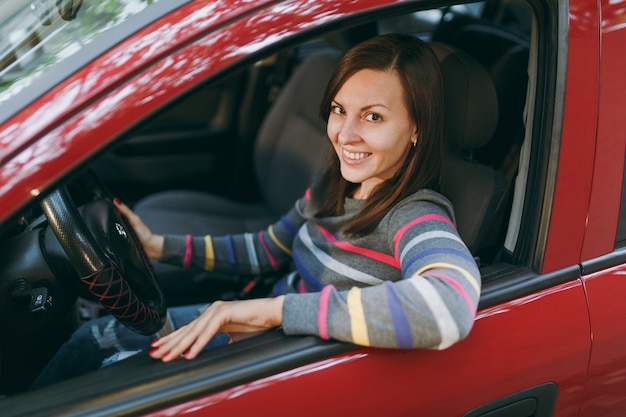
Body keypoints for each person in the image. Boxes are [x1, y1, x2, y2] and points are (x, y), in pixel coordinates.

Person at [31, 33, 481, 387]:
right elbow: (268, 248)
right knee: (90, 340)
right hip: (264, 328)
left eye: (374, 117)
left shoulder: (417, 216)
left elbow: (448, 308)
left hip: (284, 356)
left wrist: (269, 311)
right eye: (340, 110)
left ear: (417, 128)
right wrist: (158, 246)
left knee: (100, 363)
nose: (344, 134)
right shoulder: (335, 182)